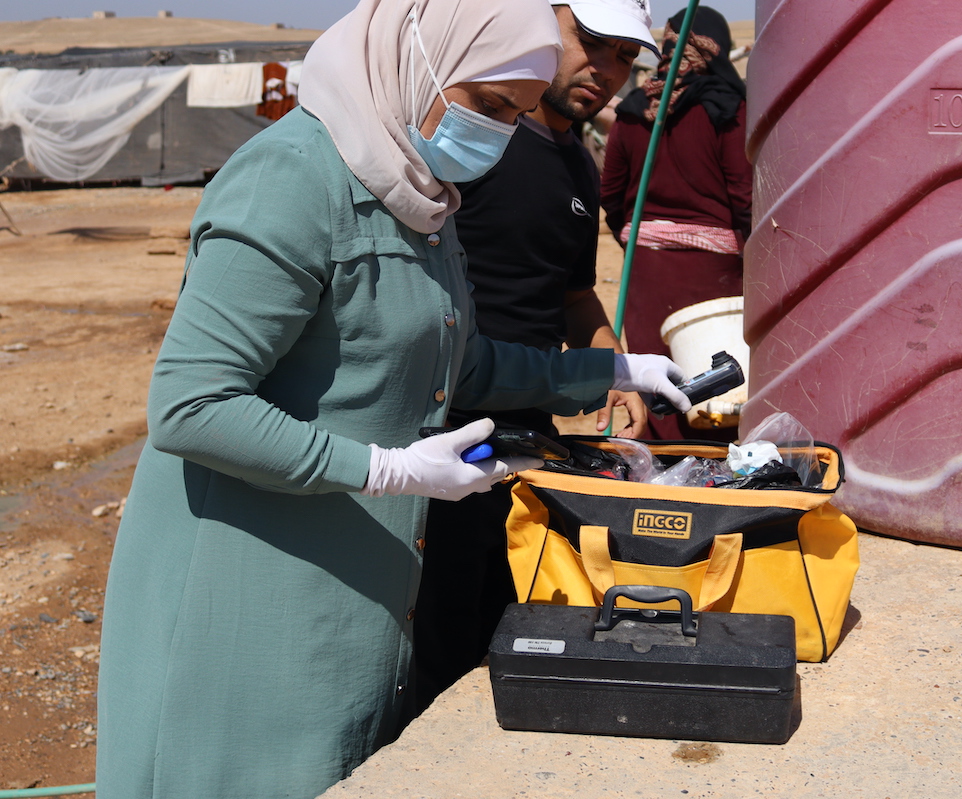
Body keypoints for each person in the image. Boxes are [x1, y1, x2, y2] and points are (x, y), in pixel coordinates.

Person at [93, 1, 690, 797]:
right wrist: (389, 469)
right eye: (487, 107)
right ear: (423, 61)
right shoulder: (294, 177)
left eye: (514, 115)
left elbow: (460, 362)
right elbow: (191, 404)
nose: (499, 135)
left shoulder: (423, 199)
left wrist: (613, 373)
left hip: (356, 593)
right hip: (249, 593)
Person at [410, 0, 659, 714]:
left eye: (625, 58)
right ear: (546, 19)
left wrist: (615, 367)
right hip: (441, 430)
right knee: (437, 643)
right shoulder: (476, 139)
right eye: (593, 43)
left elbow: (574, 292)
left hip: (527, 431)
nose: (606, 71)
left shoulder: (579, 162)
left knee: (503, 620)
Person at [600, 5, 752, 441]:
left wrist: (636, 238)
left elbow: (611, 194)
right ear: (717, 50)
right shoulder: (728, 109)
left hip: (645, 270)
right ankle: (706, 486)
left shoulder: (632, 110)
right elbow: (744, 196)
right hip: (714, 274)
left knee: (655, 379)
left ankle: (655, 478)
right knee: (714, 386)